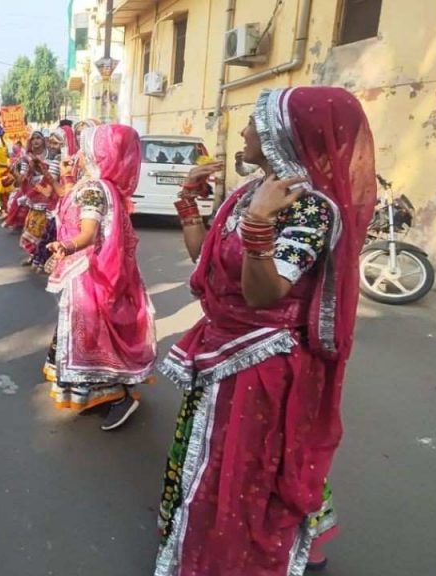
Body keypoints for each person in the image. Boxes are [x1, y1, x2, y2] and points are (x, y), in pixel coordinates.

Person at [154, 87, 377, 575]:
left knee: (252, 468)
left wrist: (258, 223)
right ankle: (216, 538)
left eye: (254, 123)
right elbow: (205, 258)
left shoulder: (310, 209)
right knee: (221, 458)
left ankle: (246, 556)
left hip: (263, 363)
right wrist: (190, 201)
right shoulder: (248, 191)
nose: (244, 131)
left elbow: (264, 292)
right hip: (223, 348)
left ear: (283, 135)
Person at [43, 124, 157, 431]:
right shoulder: (103, 186)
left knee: (94, 337)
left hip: (89, 275)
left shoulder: (94, 188)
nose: (80, 153)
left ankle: (118, 396)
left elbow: (89, 233)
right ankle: (105, 390)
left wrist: (65, 246)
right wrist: (67, 178)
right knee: (88, 335)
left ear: (101, 153)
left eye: (87, 147)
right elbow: (70, 203)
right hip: (94, 272)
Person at [31, 126, 78, 274]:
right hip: (71, 206)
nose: (52, 146)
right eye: (50, 142)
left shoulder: (60, 161)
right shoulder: (75, 159)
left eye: (56, 143)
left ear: (64, 143)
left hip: (62, 205)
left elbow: (55, 190)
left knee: (53, 236)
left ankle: (47, 263)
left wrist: (36, 184)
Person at [13, 131, 61, 264]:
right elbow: (21, 180)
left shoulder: (55, 158)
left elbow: (53, 180)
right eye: (33, 138)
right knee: (33, 227)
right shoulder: (26, 158)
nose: (35, 141)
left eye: (38, 138)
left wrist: (42, 172)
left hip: (51, 195)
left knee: (46, 228)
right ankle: (35, 255)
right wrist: (22, 171)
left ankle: (45, 257)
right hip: (35, 197)